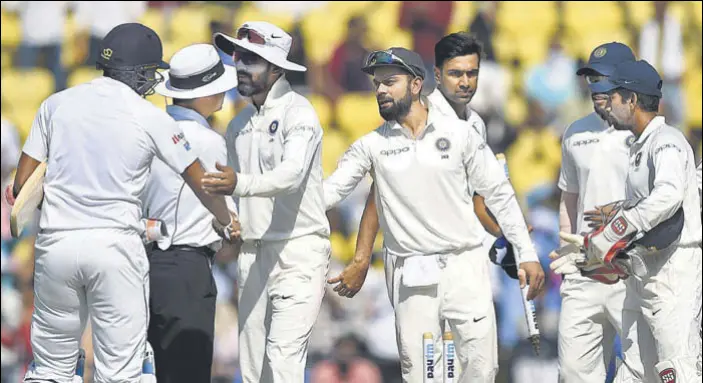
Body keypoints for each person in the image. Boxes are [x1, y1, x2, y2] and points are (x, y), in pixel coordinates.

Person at [9, 23, 237, 383]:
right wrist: (226, 220)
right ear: (137, 72)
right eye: (150, 73)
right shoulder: (149, 116)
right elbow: (201, 181)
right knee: (120, 373)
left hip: (56, 246)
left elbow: (21, 184)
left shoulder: (55, 103)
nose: (151, 83)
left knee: (50, 369)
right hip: (116, 248)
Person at [322, 47, 544, 382]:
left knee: (481, 370)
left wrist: (526, 253)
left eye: (389, 82)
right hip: (411, 275)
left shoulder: (460, 134)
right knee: (423, 375)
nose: (380, 90)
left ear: (415, 85)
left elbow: (499, 194)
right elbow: (329, 192)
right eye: (377, 84)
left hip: (464, 268)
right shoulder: (372, 145)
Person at [202, 21, 331, 382]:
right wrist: (226, 221)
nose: (241, 66)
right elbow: (231, 198)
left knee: (283, 358)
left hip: (298, 251)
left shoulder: (299, 113)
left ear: (276, 69)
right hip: (253, 254)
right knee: (254, 368)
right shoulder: (238, 123)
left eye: (252, 60)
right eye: (238, 57)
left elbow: (290, 177)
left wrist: (238, 184)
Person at [566, 59, 702, 382]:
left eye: (614, 97)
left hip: (673, 274)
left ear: (632, 100)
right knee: (634, 372)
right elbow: (645, 219)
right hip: (643, 273)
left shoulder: (667, 141)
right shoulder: (639, 147)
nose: (607, 106)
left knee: (677, 369)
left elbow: (668, 198)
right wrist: (617, 256)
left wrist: (614, 231)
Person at [547, 42, 651, 383]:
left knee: (642, 369)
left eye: (603, 79)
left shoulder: (648, 134)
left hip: (632, 271)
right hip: (585, 270)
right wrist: (568, 252)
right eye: (591, 78)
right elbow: (569, 199)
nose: (596, 88)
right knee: (574, 373)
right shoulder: (575, 132)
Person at [140, 43, 239, 383]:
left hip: (143, 263)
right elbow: (224, 210)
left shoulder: (147, 130)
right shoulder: (206, 139)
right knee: (188, 373)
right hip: (186, 266)